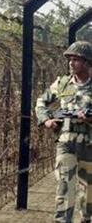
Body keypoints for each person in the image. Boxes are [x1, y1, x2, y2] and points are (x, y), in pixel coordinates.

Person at [36, 40, 92, 223]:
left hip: (89, 143)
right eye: (70, 59)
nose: (71, 63)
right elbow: (41, 102)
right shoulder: (62, 83)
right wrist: (46, 120)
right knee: (64, 187)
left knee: (88, 192)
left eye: (76, 59)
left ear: (87, 62)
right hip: (66, 141)